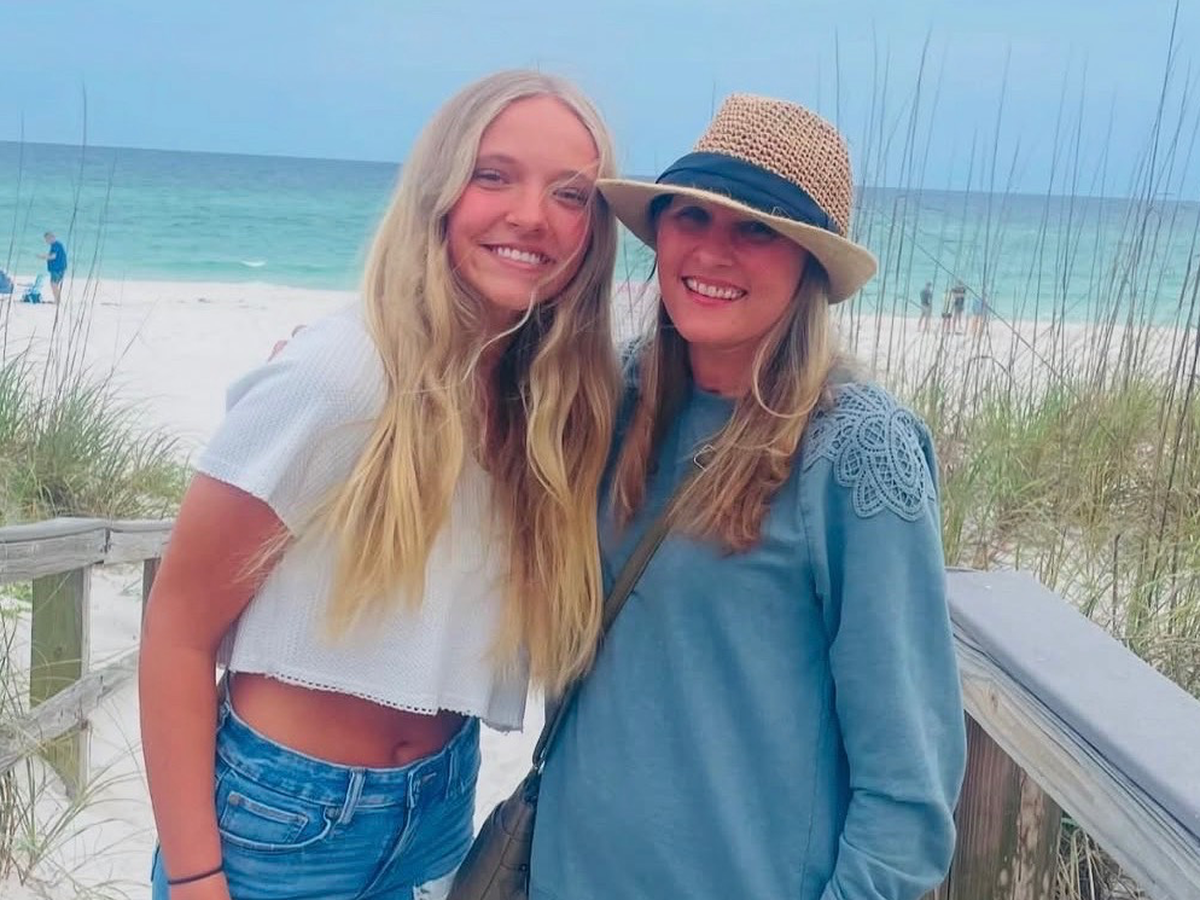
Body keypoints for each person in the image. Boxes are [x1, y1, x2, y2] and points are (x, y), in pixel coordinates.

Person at [139, 69, 620, 900]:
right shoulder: (345, 374)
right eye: (493, 175)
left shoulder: (545, 399)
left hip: (440, 808)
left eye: (570, 194)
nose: (532, 215)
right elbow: (177, 630)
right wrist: (195, 877)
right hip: (283, 819)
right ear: (439, 191)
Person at [529, 94, 967, 900]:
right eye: (692, 216)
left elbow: (909, 793)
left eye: (757, 230)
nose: (713, 250)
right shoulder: (610, 399)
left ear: (809, 267)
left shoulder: (857, 450)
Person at [37, 232, 67, 302]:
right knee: (54, 284)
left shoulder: (55, 245)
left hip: (57, 269)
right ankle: (57, 300)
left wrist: (43, 257)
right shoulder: (57, 245)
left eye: (47, 239)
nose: (46, 241)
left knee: (54, 284)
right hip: (59, 268)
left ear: (52, 237)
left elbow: (53, 256)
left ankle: (57, 300)